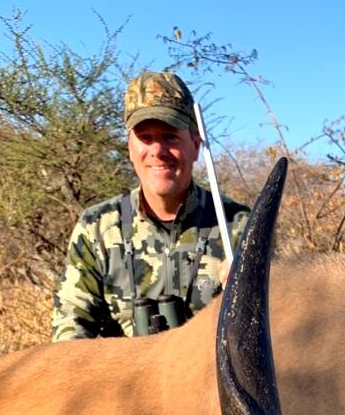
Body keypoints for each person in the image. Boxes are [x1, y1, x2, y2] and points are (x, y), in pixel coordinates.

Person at [52, 71, 249, 340]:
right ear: (129, 148)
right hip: (123, 379)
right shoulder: (96, 227)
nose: (157, 150)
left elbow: (275, 331)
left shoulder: (240, 226)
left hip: (208, 379)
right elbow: (69, 331)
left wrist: (250, 298)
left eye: (170, 137)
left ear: (195, 144)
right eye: (145, 137)